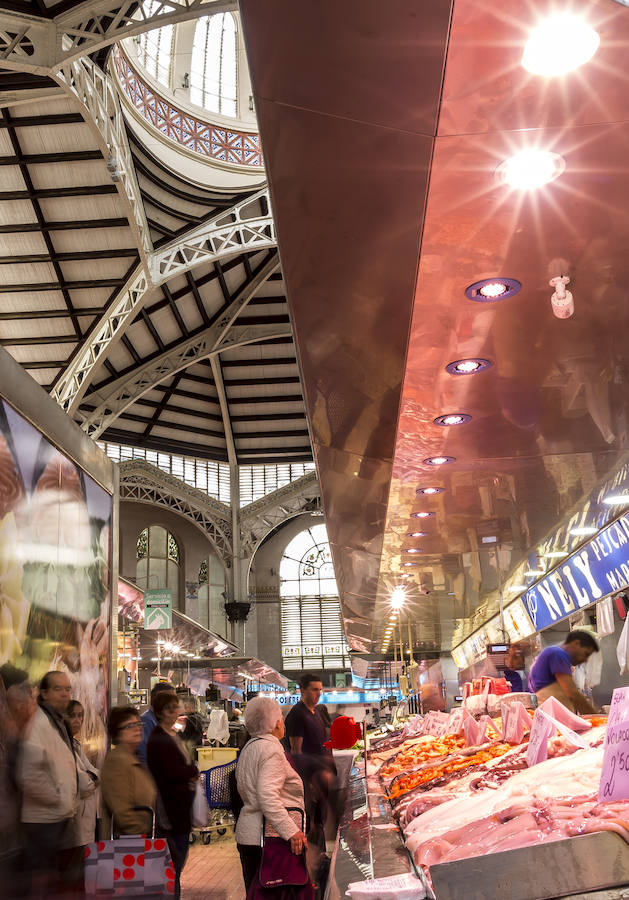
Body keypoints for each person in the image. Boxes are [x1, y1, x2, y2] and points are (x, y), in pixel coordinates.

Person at [235, 696, 307, 893]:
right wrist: (291, 831)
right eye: (281, 718)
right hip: (268, 838)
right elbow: (267, 795)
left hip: (249, 834)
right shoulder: (271, 749)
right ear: (276, 724)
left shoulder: (250, 746)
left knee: (255, 892)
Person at [18, 670, 78, 899]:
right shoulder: (38, 725)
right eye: (57, 689)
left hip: (58, 816)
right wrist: (58, 798)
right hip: (43, 820)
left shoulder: (57, 722)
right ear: (43, 694)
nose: (64, 694)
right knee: (44, 882)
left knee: (55, 880)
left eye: (67, 689)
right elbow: (29, 775)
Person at [147, 691, 199, 900]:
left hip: (181, 810)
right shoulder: (158, 738)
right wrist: (191, 772)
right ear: (160, 713)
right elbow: (170, 772)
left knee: (177, 863)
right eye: (170, 709)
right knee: (172, 865)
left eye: (176, 707)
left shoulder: (172, 735)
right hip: (170, 811)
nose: (175, 712)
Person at [100, 706, 156, 837]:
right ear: (118, 733)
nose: (138, 729)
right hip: (129, 843)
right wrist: (141, 831)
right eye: (130, 726)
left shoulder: (132, 757)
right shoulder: (117, 761)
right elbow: (122, 812)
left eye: (138, 723)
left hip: (140, 838)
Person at [528, 630, 600, 712]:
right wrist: (595, 716)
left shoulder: (551, 652)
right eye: (586, 654)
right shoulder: (558, 654)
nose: (586, 660)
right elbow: (572, 694)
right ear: (576, 643)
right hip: (553, 716)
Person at [63, 701, 99, 859]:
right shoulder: (64, 746)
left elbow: (96, 773)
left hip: (85, 822)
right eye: (72, 716)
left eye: (80, 716)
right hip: (74, 825)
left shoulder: (75, 744)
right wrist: (92, 777)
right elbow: (84, 784)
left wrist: (92, 776)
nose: (77, 720)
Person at [138, 681, 177, 765]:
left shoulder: (161, 722)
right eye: (169, 700)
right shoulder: (146, 721)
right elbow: (144, 755)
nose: (174, 707)